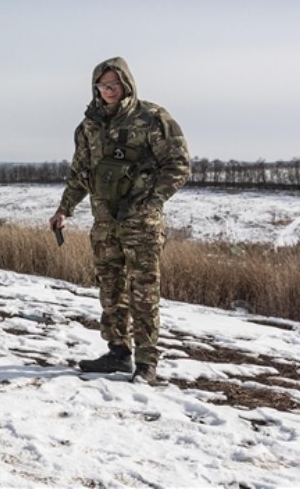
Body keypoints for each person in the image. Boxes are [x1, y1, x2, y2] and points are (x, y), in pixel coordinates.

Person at [48, 57, 190, 385]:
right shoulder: (88, 127)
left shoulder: (153, 118)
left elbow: (179, 165)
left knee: (143, 290)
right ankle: (117, 352)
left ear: (126, 83)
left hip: (141, 224)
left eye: (114, 84)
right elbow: (79, 174)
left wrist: (150, 202)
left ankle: (146, 362)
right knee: (110, 288)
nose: (109, 91)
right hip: (105, 223)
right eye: (102, 85)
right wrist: (64, 209)